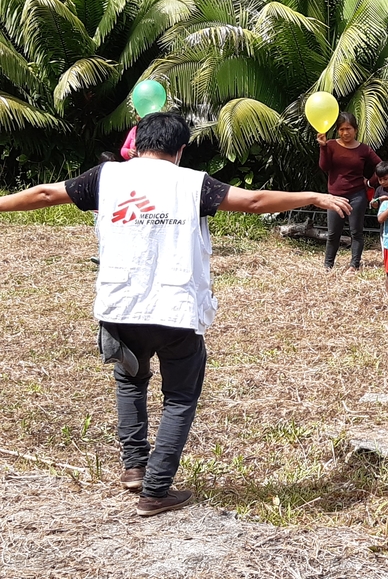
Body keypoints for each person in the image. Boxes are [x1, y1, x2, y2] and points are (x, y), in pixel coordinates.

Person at [0, 112, 352, 517]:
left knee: (130, 384)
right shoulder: (192, 183)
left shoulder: (106, 177)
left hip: (119, 305)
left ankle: (134, 469)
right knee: (180, 398)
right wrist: (312, 196)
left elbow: (44, 194)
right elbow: (253, 201)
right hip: (174, 307)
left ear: (138, 142)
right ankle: (155, 490)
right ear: (181, 149)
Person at [317, 112, 381, 272]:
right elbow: (324, 167)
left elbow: (381, 167)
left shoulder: (364, 149)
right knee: (333, 234)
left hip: (357, 196)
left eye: (349, 129)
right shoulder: (330, 145)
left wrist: (369, 182)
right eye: (342, 129)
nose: (345, 133)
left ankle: (354, 265)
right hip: (334, 197)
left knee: (356, 232)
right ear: (337, 131)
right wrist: (323, 147)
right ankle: (328, 265)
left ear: (356, 130)